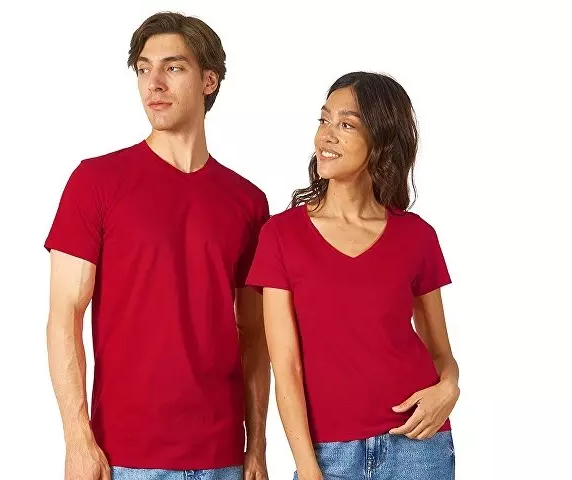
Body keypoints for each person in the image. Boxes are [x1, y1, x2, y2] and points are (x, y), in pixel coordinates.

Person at [45, 12, 270, 480]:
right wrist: (77, 441)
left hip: (223, 458)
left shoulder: (247, 202)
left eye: (173, 67)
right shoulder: (95, 182)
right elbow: (65, 316)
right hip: (124, 458)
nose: (154, 83)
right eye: (144, 69)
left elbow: (255, 336)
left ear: (209, 80)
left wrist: (257, 447)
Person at [246, 72, 459, 480]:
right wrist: (307, 467)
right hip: (329, 456)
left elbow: (440, 352)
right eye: (324, 119)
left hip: (418, 448)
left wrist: (450, 386)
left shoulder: (417, 236)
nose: (326, 135)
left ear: (380, 141)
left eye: (346, 125)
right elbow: (285, 365)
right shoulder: (281, 235)